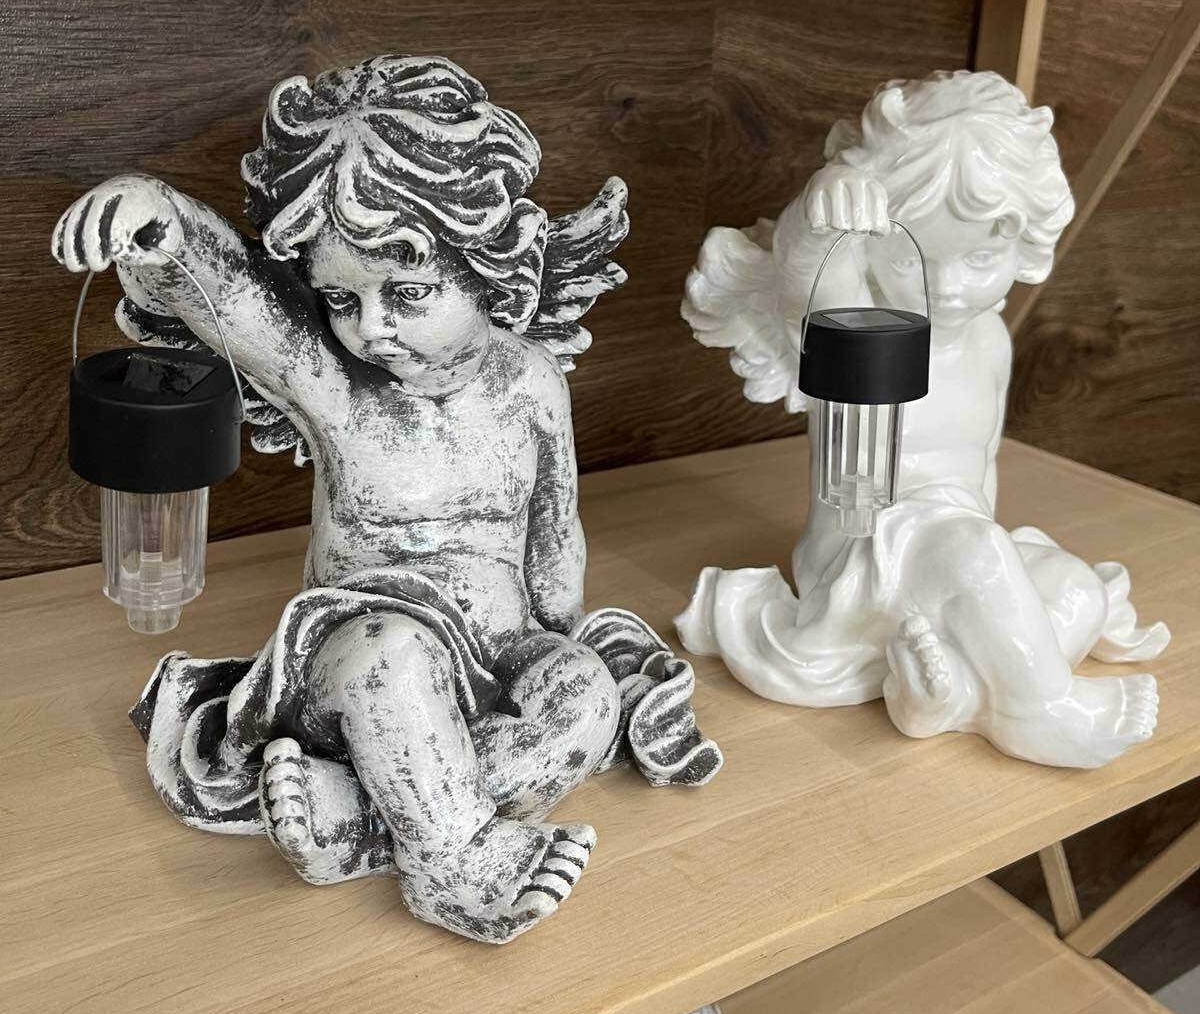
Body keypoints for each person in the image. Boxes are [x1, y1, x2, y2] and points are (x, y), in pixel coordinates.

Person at [54, 54, 720, 942]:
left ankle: (363, 823)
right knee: (390, 656)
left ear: (488, 269)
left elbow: (554, 527)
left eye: (407, 293)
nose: (370, 327)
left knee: (586, 695)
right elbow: (238, 300)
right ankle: (452, 862)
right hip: (356, 659)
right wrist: (160, 221)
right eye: (340, 297)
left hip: (499, 650)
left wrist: (559, 642)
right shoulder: (335, 383)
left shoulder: (531, 380)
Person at [678, 70, 1166, 769]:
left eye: (981, 257)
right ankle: (1037, 709)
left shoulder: (992, 340)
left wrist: (985, 577)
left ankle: (957, 694)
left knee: (1075, 590)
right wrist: (822, 219)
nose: (949, 287)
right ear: (870, 249)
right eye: (917, 262)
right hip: (861, 552)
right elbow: (804, 290)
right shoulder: (863, 333)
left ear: (1026, 240)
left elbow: (983, 468)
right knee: (976, 551)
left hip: (961, 554)